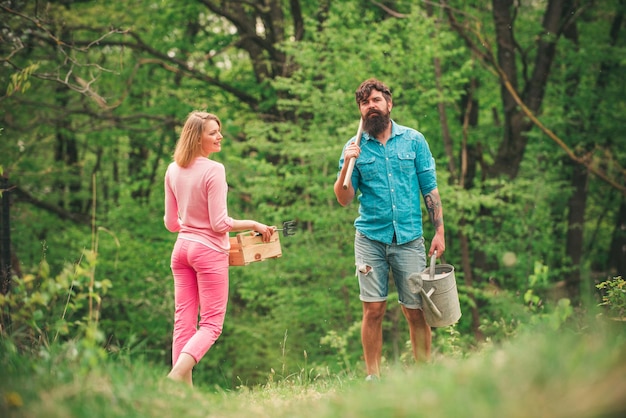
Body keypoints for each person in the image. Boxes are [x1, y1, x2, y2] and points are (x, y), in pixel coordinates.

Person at [333, 78, 446, 380]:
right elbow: (343, 198)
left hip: (409, 239)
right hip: (370, 238)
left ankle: (423, 375)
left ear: (388, 104)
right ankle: (374, 377)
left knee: (415, 311)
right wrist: (348, 164)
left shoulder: (413, 140)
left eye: (376, 100)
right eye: (364, 102)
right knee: (373, 310)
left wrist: (439, 232)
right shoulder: (353, 148)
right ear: (360, 110)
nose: (371, 106)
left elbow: (430, 189)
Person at [164, 111, 275, 386]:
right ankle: (175, 378)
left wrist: (189, 224)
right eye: (213, 132)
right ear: (197, 138)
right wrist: (255, 224)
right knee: (211, 325)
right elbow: (219, 223)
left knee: (183, 323)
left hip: (181, 251)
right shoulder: (214, 170)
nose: (220, 136)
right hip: (207, 253)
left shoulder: (172, 169)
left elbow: (170, 223)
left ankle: (183, 396)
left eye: (219, 130)